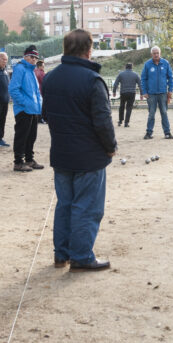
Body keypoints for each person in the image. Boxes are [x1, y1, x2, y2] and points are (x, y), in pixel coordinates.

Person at [42, 29, 116, 271]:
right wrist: (110, 147)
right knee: (87, 206)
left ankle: (61, 253)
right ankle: (81, 256)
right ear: (89, 50)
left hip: (61, 152)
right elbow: (102, 120)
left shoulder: (51, 78)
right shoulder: (92, 80)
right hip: (88, 155)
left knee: (65, 204)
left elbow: (46, 114)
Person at [9, 45, 44, 172]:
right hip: (24, 109)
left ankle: (29, 159)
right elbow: (13, 89)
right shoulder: (20, 69)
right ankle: (18, 162)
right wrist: (24, 104)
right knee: (21, 136)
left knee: (31, 136)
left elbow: (35, 91)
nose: (34, 59)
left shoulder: (31, 71)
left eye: (36, 57)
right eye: (32, 57)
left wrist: (39, 104)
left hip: (33, 108)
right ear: (26, 56)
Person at [140, 45, 173, 140]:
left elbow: (171, 78)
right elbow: (143, 79)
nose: (156, 55)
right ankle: (148, 133)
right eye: (154, 53)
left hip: (163, 93)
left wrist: (170, 90)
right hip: (151, 94)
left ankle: (167, 133)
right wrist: (144, 92)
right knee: (151, 114)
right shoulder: (147, 65)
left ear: (160, 53)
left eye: (157, 53)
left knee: (164, 112)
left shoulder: (165, 63)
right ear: (151, 54)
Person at [112, 62, 142, 127]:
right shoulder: (135, 75)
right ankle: (126, 123)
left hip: (123, 92)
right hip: (132, 93)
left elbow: (115, 84)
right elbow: (140, 85)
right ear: (132, 67)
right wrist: (141, 94)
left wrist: (114, 92)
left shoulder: (121, 74)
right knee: (129, 108)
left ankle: (120, 121)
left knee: (121, 106)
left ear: (125, 67)